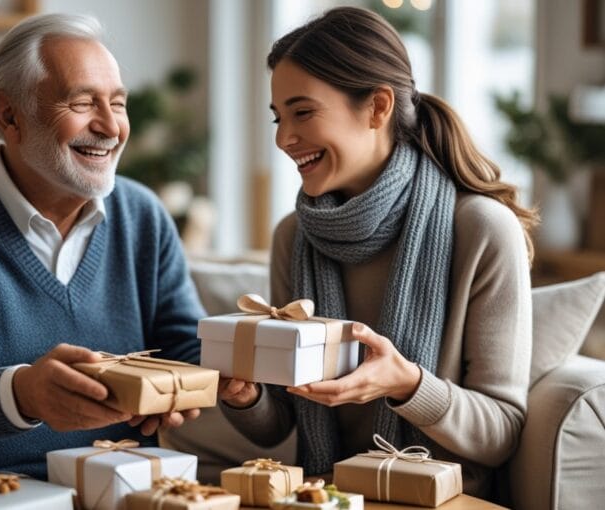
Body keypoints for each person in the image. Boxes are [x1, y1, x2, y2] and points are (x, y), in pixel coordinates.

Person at [218, 6, 535, 501]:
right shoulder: (293, 237)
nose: (283, 139)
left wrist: (406, 384)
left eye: (303, 112)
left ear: (378, 107)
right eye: (279, 118)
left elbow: (501, 432)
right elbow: (277, 422)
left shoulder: (482, 230)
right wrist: (248, 397)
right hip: (324, 494)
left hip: (441, 498)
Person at [0, 13, 205, 484]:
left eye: (118, 103)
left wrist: (222, 382)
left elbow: (185, 349)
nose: (111, 126)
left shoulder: (143, 216)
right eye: (83, 102)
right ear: (10, 115)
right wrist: (22, 395)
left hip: (125, 487)